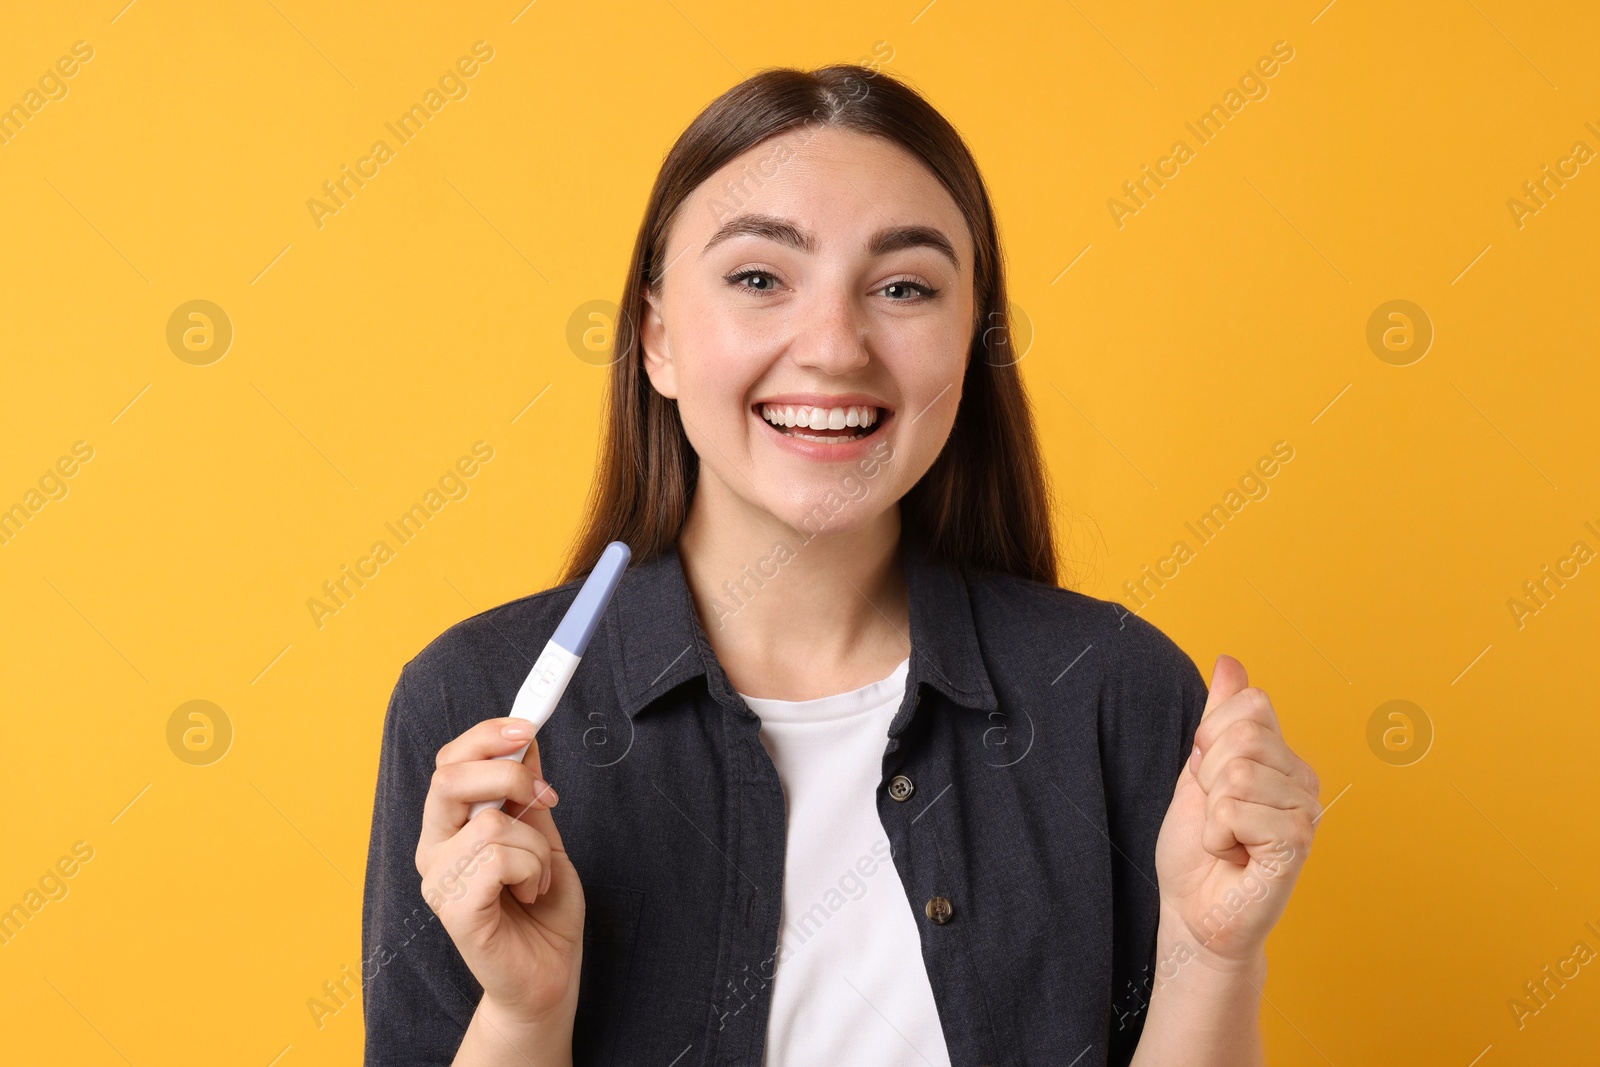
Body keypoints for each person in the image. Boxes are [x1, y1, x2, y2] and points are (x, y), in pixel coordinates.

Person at [361, 63, 1321, 1067]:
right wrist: (525, 1013)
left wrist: (1213, 953)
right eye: (758, 278)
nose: (833, 347)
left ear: (970, 342)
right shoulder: (475, 705)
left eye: (903, 287)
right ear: (656, 338)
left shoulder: (1115, 692)